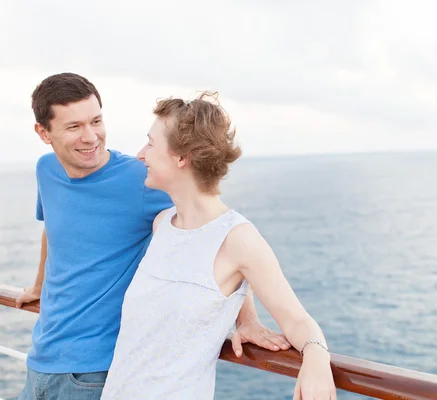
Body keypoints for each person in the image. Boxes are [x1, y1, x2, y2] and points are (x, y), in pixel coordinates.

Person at [16, 73, 290, 400]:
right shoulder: (46, 170)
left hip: (95, 373)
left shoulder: (142, 180)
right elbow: (53, 228)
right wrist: (37, 285)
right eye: (74, 127)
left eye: (96, 121)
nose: (90, 136)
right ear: (43, 133)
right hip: (40, 357)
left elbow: (215, 231)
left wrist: (247, 319)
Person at [100, 92, 337, 399]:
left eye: (151, 143)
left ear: (182, 157)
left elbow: (296, 319)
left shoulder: (238, 237)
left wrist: (317, 357)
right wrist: (245, 317)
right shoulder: (161, 225)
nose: (141, 154)